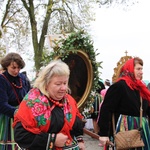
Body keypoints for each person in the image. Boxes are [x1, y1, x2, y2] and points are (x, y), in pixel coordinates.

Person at [13, 59, 85, 150]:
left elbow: (76, 123)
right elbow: (21, 136)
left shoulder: (69, 101)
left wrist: (79, 140)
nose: (63, 88)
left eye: (65, 83)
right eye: (58, 84)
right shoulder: (33, 102)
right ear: (46, 83)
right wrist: (52, 140)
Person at [98, 57, 150, 150]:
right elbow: (106, 109)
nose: (141, 72)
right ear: (129, 69)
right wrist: (103, 134)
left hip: (143, 129)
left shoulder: (141, 88)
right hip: (126, 129)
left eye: (142, 69)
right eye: (138, 69)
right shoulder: (119, 86)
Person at [0, 52, 31, 150]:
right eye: (13, 68)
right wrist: (17, 112)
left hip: (24, 115)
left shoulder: (23, 78)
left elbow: (30, 95)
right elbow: (2, 104)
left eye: (19, 68)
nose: (16, 70)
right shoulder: (2, 79)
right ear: (6, 66)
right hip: (8, 116)